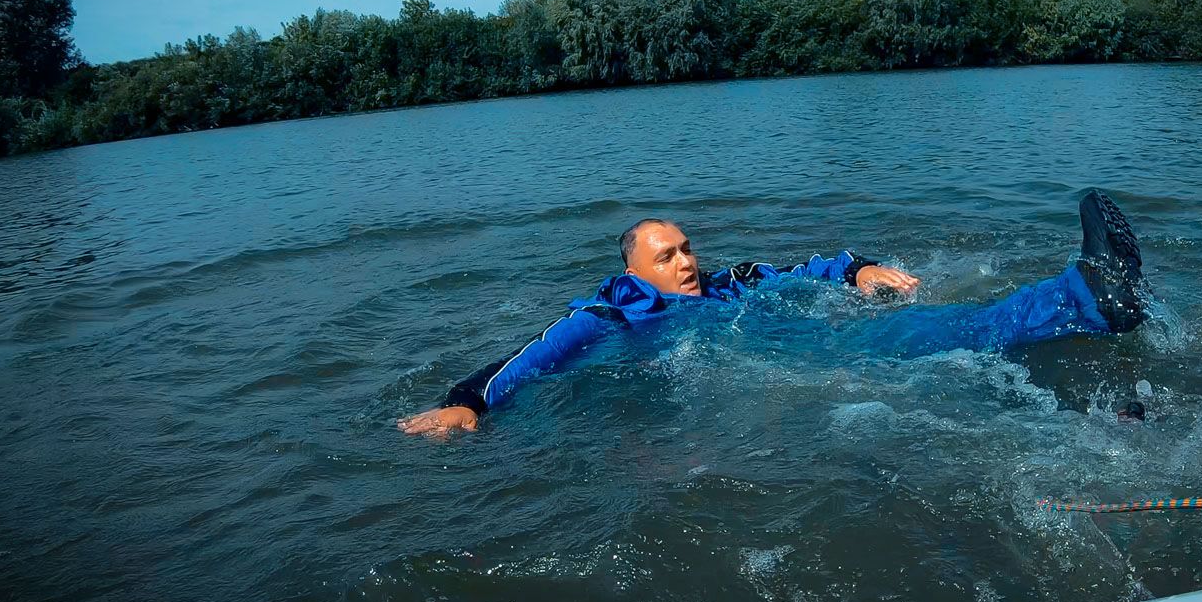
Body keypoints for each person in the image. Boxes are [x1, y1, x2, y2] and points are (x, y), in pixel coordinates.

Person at [398, 190, 1148, 436]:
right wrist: (467, 403)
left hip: (804, 342)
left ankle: (1082, 344)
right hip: (796, 373)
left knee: (939, 338)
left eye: (687, 248)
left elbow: (801, 266)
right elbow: (531, 356)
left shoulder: (729, 284)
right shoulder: (613, 316)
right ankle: (1084, 299)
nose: (686, 263)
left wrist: (857, 269)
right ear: (633, 271)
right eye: (667, 258)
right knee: (943, 338)